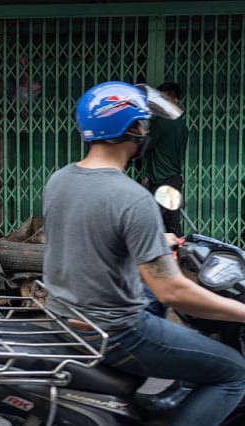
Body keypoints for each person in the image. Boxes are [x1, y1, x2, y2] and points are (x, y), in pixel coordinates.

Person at [43, 81, 245, 426]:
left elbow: (91, 241)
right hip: (117, 331)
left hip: (66, 315)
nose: (146, 129)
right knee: (235, 373)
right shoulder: (132, 197)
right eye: (143, 122)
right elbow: (174, 291)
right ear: (132, 129)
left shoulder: (59, 180)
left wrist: (152, 243)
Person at [142, 81, 188, 236]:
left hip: (162, 180)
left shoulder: (162, 122)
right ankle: (180, 256)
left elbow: (148, 145)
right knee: (172, 223)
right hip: (174, 178)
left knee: (154, 223)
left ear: (175, 100)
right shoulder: (182, 124)